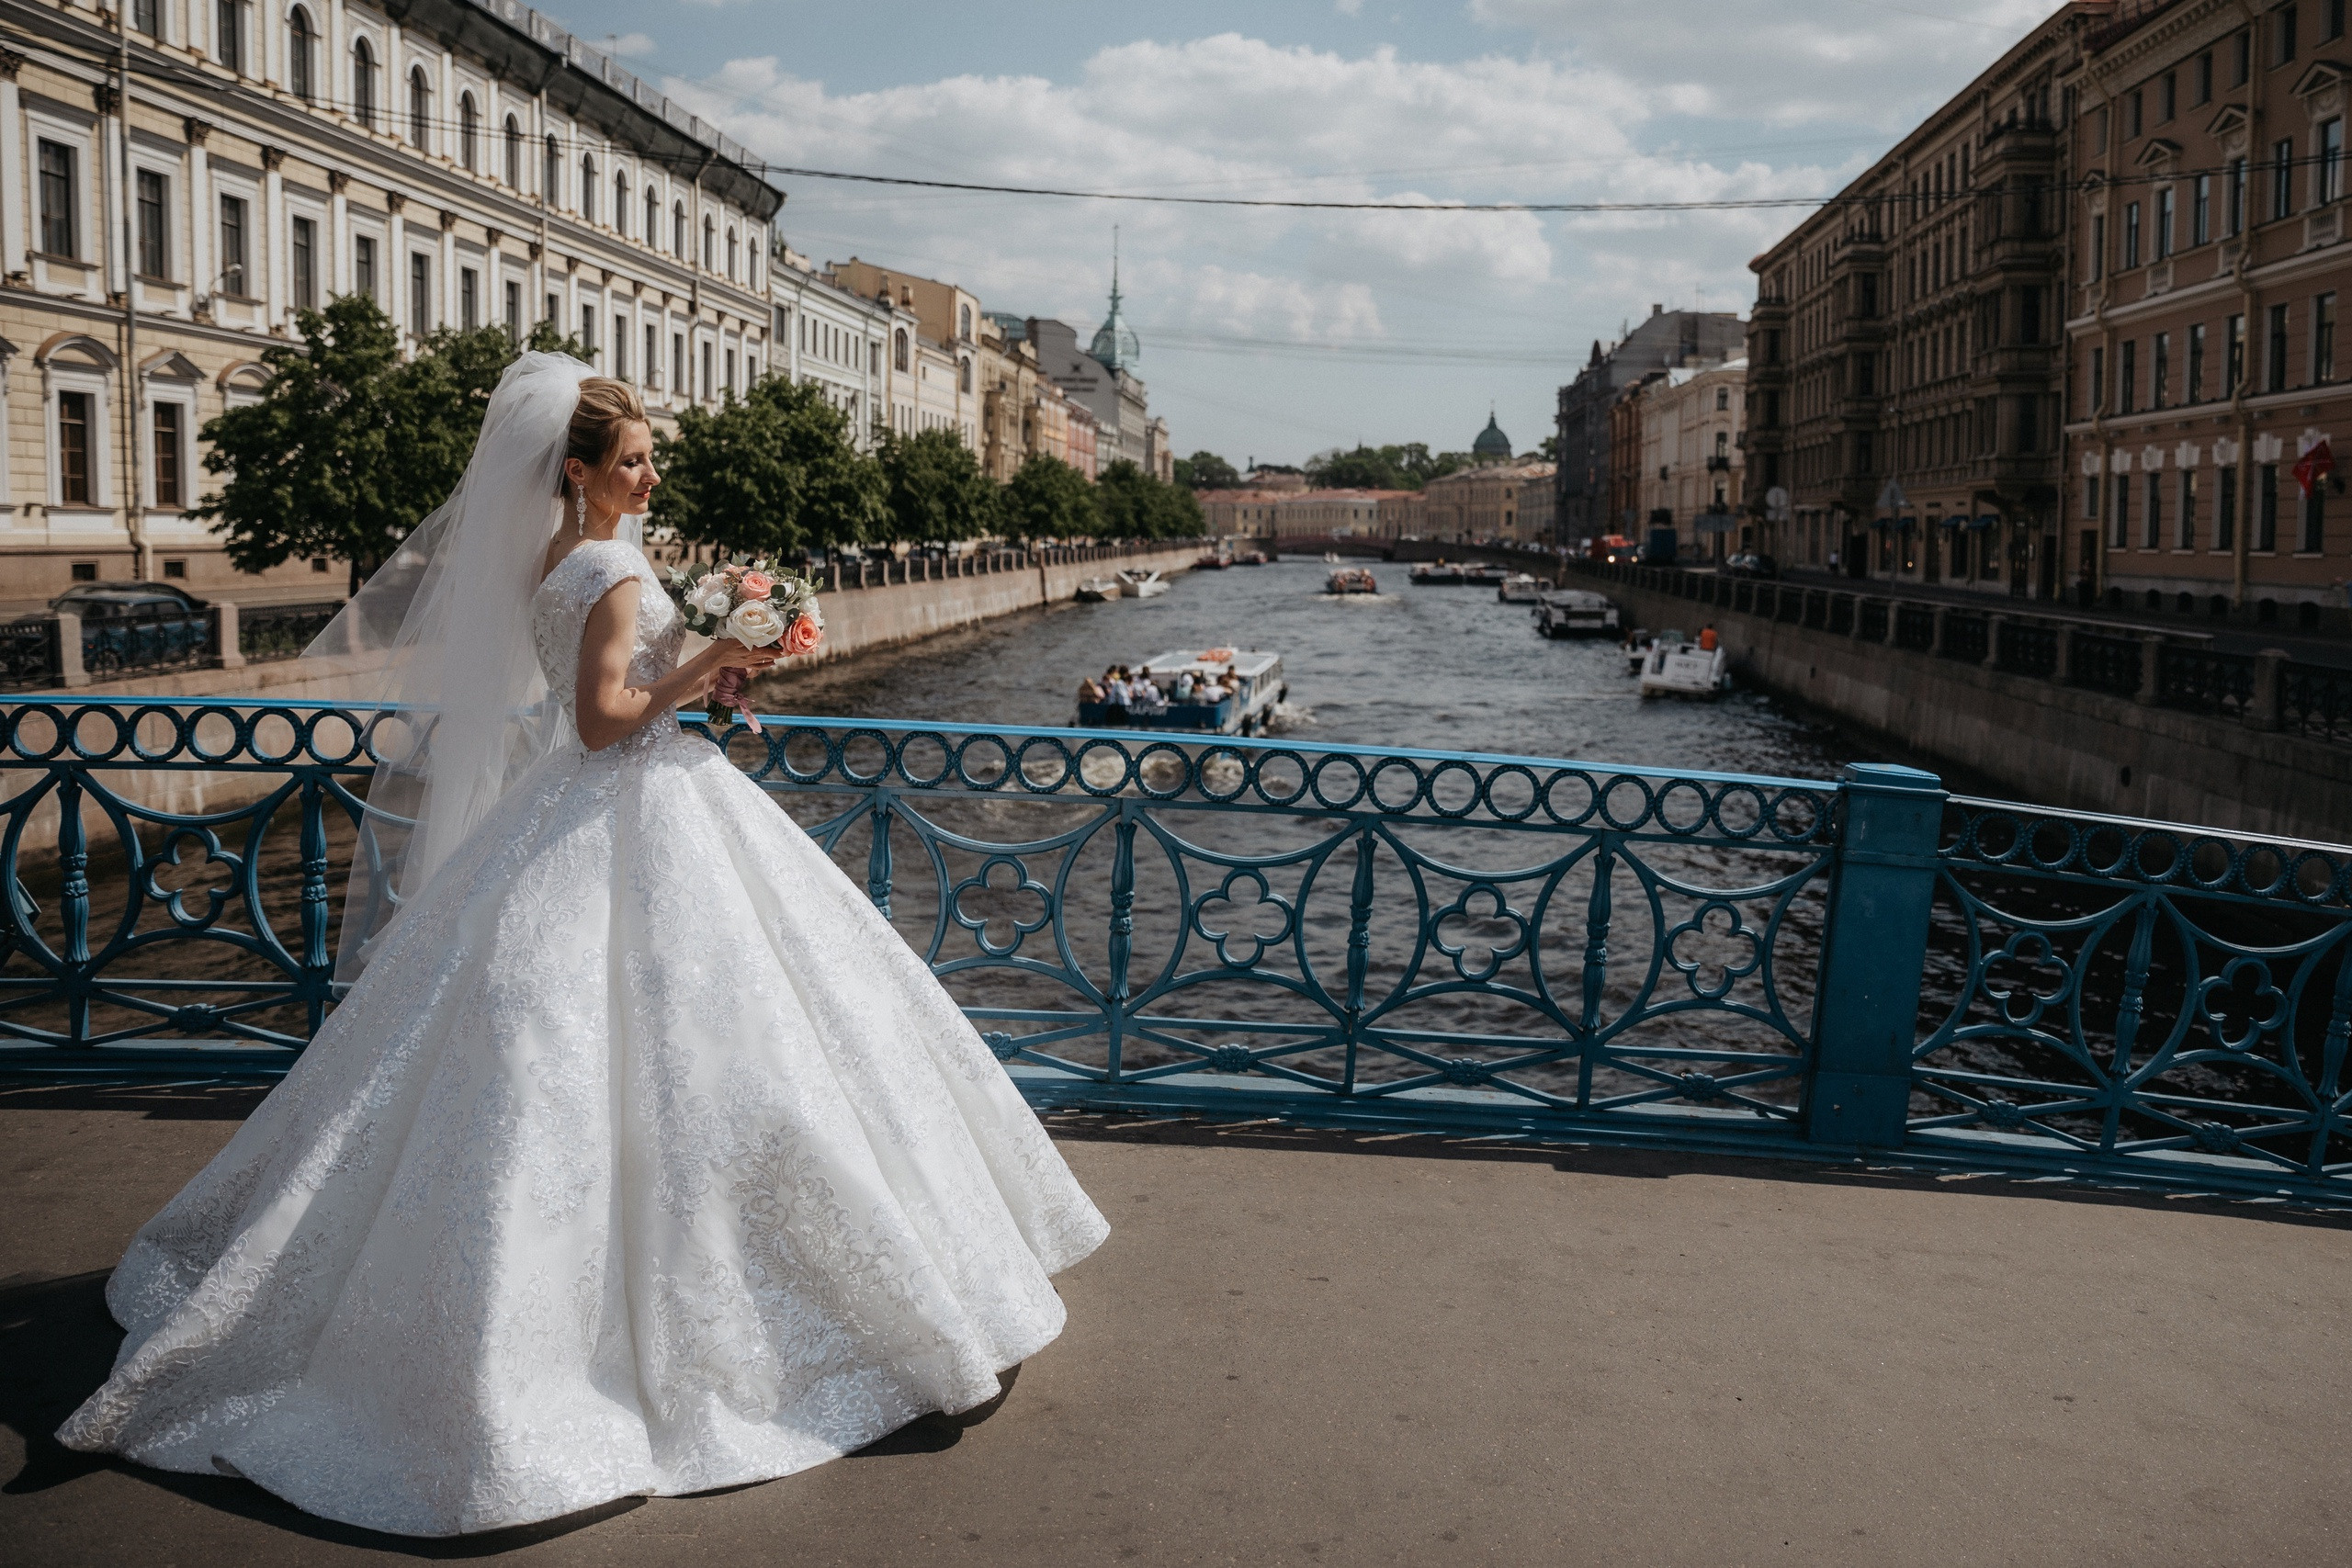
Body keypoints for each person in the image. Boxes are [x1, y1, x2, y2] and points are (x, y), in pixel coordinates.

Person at [56, 358, 1109, 1538]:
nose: (651, 477)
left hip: (571, 807)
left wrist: (708, 667)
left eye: (651, 458)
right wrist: (713, 658)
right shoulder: (608, 567)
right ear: (577, 469)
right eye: (634, 461)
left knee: (547, 1044)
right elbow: (606, 721)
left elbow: (595, 692)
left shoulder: (556, 559)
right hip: (634, 797)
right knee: (729, 1049)